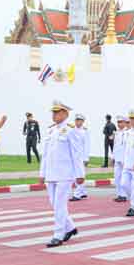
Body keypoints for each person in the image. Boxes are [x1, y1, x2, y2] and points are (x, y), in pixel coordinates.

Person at [39, 100, 85, 248]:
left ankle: (58, 235)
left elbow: (77, 154)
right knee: (54, 204)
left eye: (57, 112)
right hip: (51, 173)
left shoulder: (71, 131)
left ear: (65, 114)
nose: (54, 115)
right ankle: (70, 227)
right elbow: (45, 154)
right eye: (53, 112)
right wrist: (42, 173)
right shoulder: (51, 130)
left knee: (59, 204)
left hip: (65, 174)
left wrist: (80, 174)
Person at [70, 114, 91, 201]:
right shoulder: (71, 131)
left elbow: (87, 145)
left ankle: (77, 194)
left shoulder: (85, 131)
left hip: (81, 157)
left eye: (80, 120)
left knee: (79, 175)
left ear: (83, 121)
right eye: (77, 120)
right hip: (73, 156)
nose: (78, 122)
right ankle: (83, 192)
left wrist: (86, 158)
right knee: (76, 175)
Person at [112, 115, 128, 202]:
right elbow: (115, 146)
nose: (119, 124)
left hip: (124, 158)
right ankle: (119, 194)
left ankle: (124, 195)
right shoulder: (117, 133)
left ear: (125, 123)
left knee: (124, 178)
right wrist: (113, 157)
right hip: (117, 158)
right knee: (117, 177)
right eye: (118, 122)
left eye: (121, 122)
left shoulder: (128, 133)